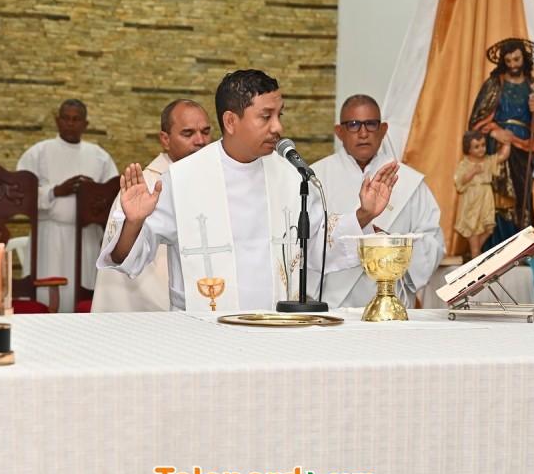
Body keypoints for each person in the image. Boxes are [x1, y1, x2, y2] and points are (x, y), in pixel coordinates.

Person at [97, 69, 398, 312]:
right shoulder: (183, 178)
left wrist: (364, 214)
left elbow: (315, 249)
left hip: (276, 329)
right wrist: (134, 221)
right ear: (231, 121)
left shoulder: (292, 176)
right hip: (202, 333)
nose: (278, 127)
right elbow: (127, 258)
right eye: (266, 116)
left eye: (280, 115)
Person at [310, 94, 446, 309]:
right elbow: (305, 243)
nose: (363, 133)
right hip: (332, 304)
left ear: (383, 130)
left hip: (392, 303)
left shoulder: (409, 181)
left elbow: (433, 241)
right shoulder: (315, 179)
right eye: (353, 125)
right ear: (339, 132)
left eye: (371, 124)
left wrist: (391, 244)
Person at [91, 99, 212, 312]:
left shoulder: (215, 181)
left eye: (206, 131)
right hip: (158, 311)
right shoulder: (145, 187)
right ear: (165, 139)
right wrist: (184, 306)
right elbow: (131, 263)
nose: (200, 141)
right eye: (188, 133)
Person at [17, 98, 118, 313]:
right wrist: (55, 191)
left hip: (86, 238)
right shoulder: (38, 153)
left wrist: (92, 193)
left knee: (81, 297)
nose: (70, 123)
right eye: (66, 118)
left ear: (85, 124)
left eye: (76, 119)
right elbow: (20, 193)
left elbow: (114, 196)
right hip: (48, 237)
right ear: (57, 120)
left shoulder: (100, 157)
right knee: (45, 296)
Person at [468, 37, 534, 242]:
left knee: (523, 198)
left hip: (523, 149)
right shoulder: (495, 84)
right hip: (498, 148)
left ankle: (521, 246)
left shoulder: (532, 86)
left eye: (517, 59)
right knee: (498, 199)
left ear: (524, 59)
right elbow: (476, 121)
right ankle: (495, 246)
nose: (513, 65)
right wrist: (492, 132)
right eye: (508, 60)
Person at [453, 130, 510, 259]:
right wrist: (472, 172)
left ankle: (475, 251)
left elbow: (502, 156)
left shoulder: (487, 161)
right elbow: (460, 181)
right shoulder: (465, 164)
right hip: (473, 199)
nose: (481, 149)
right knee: (473, 226)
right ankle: (475, 255)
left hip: (486, 198)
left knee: (487, 227)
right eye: (476, 147)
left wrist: (507, 142)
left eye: (483, 145)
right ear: (468, 148)